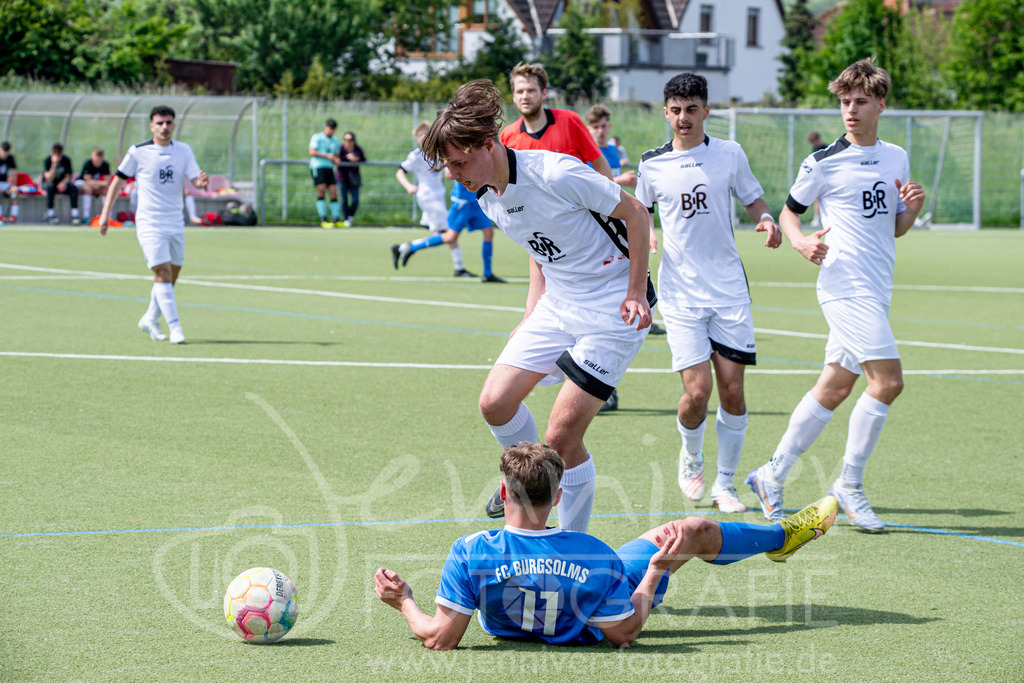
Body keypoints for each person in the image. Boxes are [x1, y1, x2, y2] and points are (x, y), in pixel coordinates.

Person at [420, 79, 655, 532]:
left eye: (459, 162)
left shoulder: (556, 174)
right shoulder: (487, 195)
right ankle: (537, 476)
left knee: (561, 436)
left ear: (487, 145)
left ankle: (572, 547)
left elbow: (637, 215)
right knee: (495, 403)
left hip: (612, 305)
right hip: (558, 302)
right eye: (448, 166)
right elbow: (536, 249)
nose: (454, 174)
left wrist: (636, 292)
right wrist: (531, 312)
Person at [374, 441, 839, 649]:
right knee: (691, 529)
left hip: (512, 627)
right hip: (595, 600)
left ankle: (781, 538)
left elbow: (440, 638)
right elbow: (625, 633)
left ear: (502, 495)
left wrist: (405, 602)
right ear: (558, 497)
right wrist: (657, 569)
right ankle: (782, 536)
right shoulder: (593, 553)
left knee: (682, 534)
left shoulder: (470, 551)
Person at [746, 58, 925, 533]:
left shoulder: (896, 157)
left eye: (860, 101)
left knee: (835, 386)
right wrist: (801, 240)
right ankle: (850, 483)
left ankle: (771, 474)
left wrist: (910, 210)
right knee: (887, 382)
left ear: (880, 104)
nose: (850, 110)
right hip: (844, 286)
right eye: (845, 102)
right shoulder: (823, 161)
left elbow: (895, 229)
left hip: (876, 286)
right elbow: (789, 213)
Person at [635, 73, 782, 514]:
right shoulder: (651, 164)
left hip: (729, 292)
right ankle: (691, 454)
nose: (684, 118)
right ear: (666, 112)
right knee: (698, 393)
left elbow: (754, 200)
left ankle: (725, 484)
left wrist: (768, 219)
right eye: (676, 110)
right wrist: (647, 240)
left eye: (692, 109)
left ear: (706, 110)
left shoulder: (729, 154)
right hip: (680, 294)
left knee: (732, 391)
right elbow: (638, 215)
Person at [501, 63, 624, 412]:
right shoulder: (509, 137)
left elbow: (600, 168)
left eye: (531, 90)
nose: (525, 96)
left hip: (588, 237)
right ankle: (573, 371)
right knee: (551, 310)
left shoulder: (569, 122)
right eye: (519, 90)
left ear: (543, 92)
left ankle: (598, 375)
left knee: (598, 308)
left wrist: (615, 214)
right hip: (545, 238)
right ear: (514, 95)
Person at [97, 105, 208, 346]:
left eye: (168, 123)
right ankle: (176, 328)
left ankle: (150, 318)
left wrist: (201, 183)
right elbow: (118, 179)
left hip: (175, 221)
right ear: (151, 126)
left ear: (174, 125)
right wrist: (105, 213)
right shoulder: (139, 151)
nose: (164, 127)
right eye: (160, 123)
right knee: (162, 273)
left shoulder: (184, 151)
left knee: (171, 275)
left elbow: (195, 182)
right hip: (150, 222)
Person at [391, 173, 506, 282]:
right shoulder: (456, 154)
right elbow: (449, 174)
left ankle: (487, 274)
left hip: (477, 200)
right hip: (462, 202)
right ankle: (410, 248)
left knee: (489, 232)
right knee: (450, 237)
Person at [394, 122, 473, 277]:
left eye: (425, 133)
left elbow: (446, 170)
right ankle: (408, 248)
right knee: (449, 234)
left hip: (438, 197)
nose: (422, 137)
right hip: (428, 197)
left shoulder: (439, 152)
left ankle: (404, 247)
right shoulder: (415, 156)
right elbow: (400, 172)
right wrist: (408, 186)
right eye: (419, 135)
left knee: (443, 234)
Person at [586, 104, 636, 188]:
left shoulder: (614, 148)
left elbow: (613, 175)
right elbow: (590, 184)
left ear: (609, 126)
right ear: (588, 129)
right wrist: (619, 179)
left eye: (603, 126)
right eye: (596, 127)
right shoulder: (588, 152)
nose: (600, 131)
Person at [309, 118, 342, 228]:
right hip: (318, 167)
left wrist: (336, 160)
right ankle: (323, 219)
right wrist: (326, 156)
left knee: (333, 192)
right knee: (321, 191)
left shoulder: (335, 140)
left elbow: (336, 155)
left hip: (329, 168)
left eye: (333, 129)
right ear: (325, 127)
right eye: (329, 128)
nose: (331, 131)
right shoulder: (317, 137)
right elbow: (312, 151)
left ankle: (336, 219)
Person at [43, 143, 81, 225]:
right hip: (52, 183)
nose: (56, 155)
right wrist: (54, 164)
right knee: (50, 188)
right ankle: (51, 215)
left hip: (63, 183)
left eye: (58, 153)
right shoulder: (47, 160)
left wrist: (64, 183)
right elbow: (49, 178)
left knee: (73, 188)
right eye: (54, 152)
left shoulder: (66, 160)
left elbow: (68, 176)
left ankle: (75, 215)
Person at [336, 131, 365, 227]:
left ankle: (350, 217)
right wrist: (346, 157)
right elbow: (337, 159)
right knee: (344, 200)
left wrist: (356, 159)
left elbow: (364, 159)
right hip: (342, 178)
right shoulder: (340, 148)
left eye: (350, 140)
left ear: (354, 141)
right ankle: (345, 219)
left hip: (354, 178)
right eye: (346, 139)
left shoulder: (358, 149)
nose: (348, 142)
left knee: (355, 200)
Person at [76, 147, 111, 221]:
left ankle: (108, 216)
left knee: (106, 191)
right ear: (92, 156)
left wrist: (98, 184)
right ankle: (86, 217)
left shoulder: (105, 165)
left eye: (100, 157)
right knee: (88, 189)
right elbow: (88, 181)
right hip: (82, 183)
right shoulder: (88, 163)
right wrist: (100, 184)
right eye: (96, 156)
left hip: (96, 186)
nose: (98, 159)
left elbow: (107, 182)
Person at [807, 131, 828, 228]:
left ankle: (820, 219)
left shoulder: (826, 148)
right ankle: (817, 219)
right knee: (817, 199)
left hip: (826, 177)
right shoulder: (815, 149)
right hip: (818, 177)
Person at [0, 141, 19, 223]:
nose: (5, 154)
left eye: (7, 152)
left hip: (5, 183)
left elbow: (14, 172)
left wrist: (14, 185)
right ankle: (0, 216)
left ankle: (13, 216)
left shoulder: (10, 158)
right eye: (3, 151)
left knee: (14, 193)